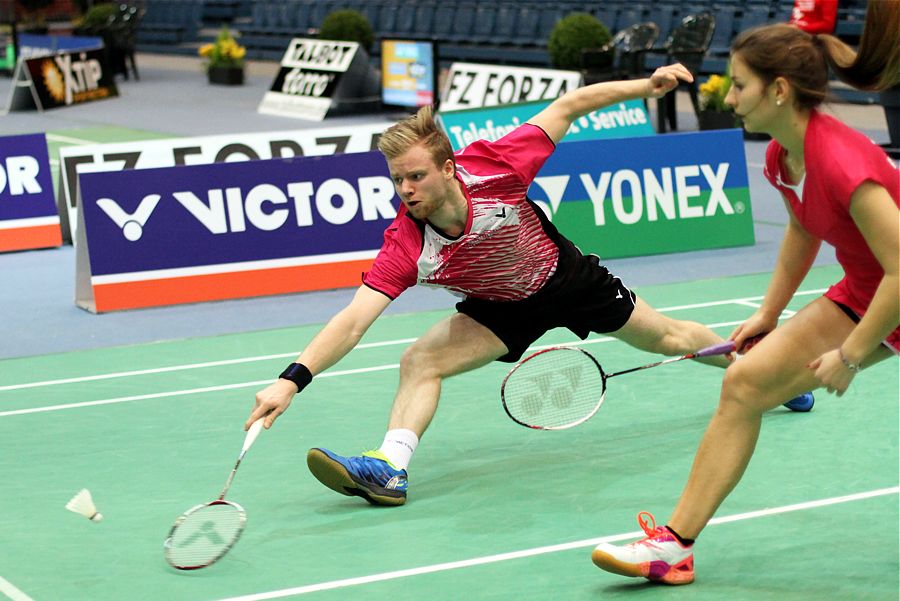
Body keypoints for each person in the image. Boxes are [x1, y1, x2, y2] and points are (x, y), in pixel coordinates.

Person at [244, 64, 810, 508]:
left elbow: (570, 105)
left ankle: (772, 380)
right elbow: (353, 319)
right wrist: (292, 381)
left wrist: (648, 85)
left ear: (448, 168)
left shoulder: (494, 167)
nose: (406, 189)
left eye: (416, 175)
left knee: (668, 336)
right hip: (499, 307)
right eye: (397, 180)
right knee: (420, 361)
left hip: (564, 278)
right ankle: (391, 467)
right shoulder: (407, 243)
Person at [591, 19, 899, 586]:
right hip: (866, 290)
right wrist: (768, 311)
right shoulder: (786, 156)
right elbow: (803, 233)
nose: (728, 99)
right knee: (744, 384)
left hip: (892, 288)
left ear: (778, 89)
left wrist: (851, 355)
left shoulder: (844, 164)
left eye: (738, 85)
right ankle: (672, 549)